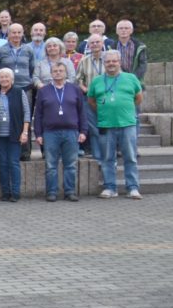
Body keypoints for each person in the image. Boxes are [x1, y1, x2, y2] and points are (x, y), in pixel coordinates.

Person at [87, 51, 144, 199]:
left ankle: (132, 187)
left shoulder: (131, 78)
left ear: (119, 62)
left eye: (114, 61)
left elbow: (138, 98)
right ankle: (110, 187)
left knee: (130, 157)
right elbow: (91, 101)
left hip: (127, 124)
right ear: (104, 64)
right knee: (107, 158)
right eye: (108, 62)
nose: (111, 64)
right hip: (106, 125)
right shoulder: (97, 81)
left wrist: (124, 109)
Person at [34, 62, 88, 202]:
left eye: (61, 70)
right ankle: (51, 192)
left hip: (71, 132)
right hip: (50, 133)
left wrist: (83, 131)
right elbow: (38, 114)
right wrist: (38, 134)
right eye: (55, 71)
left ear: (65, 73)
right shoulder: (43, 91)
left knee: (70, 164)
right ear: (51, 74)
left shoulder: (75, 89)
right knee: (51, 165)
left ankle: (70, 191)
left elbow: (82, 112)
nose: (58, 73)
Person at [0, 24, 36, 159]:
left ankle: (25, 152)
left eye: (19, 32)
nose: (16, 35)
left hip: (25, 88)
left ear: (23, 33)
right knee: (10, 119)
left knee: (25, 119)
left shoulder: (28, 50)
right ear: (8, 34)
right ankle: (11, 151)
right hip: (8, 89)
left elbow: (32, 68)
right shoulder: (0, 51)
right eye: (13, 33)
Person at [0, 68, 30, 202]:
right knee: (2, 163)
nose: (4, 79)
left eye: (6, 77)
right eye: (1, 77)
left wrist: (25, 132)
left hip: (15, 133)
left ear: (12, 79)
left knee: (13, 163)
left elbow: (26, 113)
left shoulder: (19, 92)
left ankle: (15, 192)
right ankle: (5, 192)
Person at [77, 34, 107, 163]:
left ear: (102, 44)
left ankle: (109, 158)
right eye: (92, 42)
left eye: (97, 42)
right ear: (88, 45)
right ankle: (98, 158)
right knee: (94, 130)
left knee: (108, 129)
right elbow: (78, 79)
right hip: (90, 100)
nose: (95, 44)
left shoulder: (110, 59)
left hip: (108, 99)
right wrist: (85, 90)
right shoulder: (84, 61)